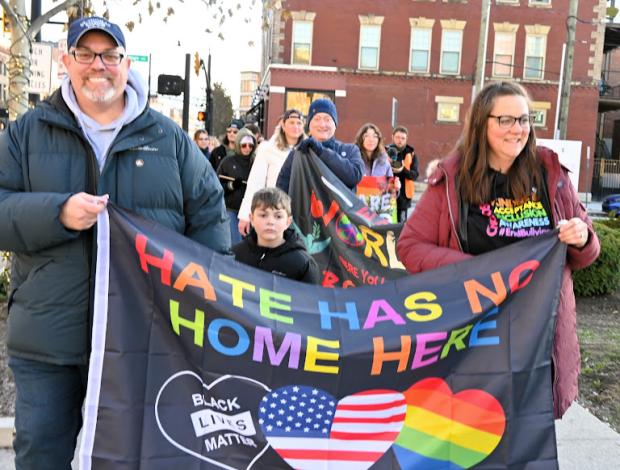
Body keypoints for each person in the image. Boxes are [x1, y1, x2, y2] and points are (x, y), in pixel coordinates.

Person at [0, 16, 230, 469]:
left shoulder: (169, 141)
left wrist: (202, 301)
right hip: (50, 344)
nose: (97, 66)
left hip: (143, 343)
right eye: (85, 54)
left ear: (126, 64)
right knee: (42, 456)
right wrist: (58, 213)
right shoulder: (27, 134)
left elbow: (210, 223)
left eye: (109, 55)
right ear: (66, 61)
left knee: (133, 458)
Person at [396, 81, 600, 419]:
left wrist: (582, 238)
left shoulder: (550, 174)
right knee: (475, 435)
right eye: (505, 120)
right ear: (482, 123)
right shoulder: (453, 179)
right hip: (477, 337)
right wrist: (479, 271)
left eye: (524, 119)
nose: (517, 129)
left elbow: (588, 250)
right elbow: (410, 246)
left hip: (539, 338)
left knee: (529, 440)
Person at [238, 109, 305, 236]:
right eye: (291, 122)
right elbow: (255, 183)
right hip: (272, 211)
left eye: (299, 123)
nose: (295, 126)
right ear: (283, 125)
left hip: (300, 214)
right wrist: (245, 215)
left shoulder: (308, 150)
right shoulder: (267, 149)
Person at [233, 187, 320, 284]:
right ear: (251, 219)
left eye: (278, 216)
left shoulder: (303, 264)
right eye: (263, 215)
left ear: (288, 222)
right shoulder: (235, 254)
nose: (270, 222)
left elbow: (309, 298)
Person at [276, 98, 364, 193]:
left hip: (340, 208)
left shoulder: (349, 150)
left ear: (335, 124)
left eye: (327, 119)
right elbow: (281, 192)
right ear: (309, 125)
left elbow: (354, 177)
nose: (322, 125)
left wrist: (322, 152)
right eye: (317, 119)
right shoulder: (298, 154)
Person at [217, 127, 256, 244]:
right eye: (244, 145)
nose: (247, 148)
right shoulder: (228, 162)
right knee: (236, 243)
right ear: (238, 145)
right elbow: (216, 185)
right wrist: (231, 185)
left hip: (252, 210)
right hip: (232, 209)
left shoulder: (257, 161)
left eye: (251, 145)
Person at [387, 126, 419, 222]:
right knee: (386, 222)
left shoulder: (411, 154)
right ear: (392, 137)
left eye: (402, 138)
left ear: (406, 139)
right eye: (397, 137)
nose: (400, 140)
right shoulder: (385, 151)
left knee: (401, 226)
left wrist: (402, 169)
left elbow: (414, 175)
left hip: (404, 198)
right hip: (386, 194)